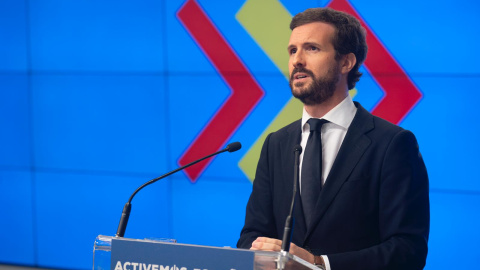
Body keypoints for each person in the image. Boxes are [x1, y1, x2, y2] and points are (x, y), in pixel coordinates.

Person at [237, 7, 429, 270]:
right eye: (292, 50)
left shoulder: (392, 144)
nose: (297, 61)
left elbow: (408, 251)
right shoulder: (276, 144)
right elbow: (251, 236)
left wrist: (319, 264)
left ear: (346, 62)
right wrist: (258, 253)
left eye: (312, 48)